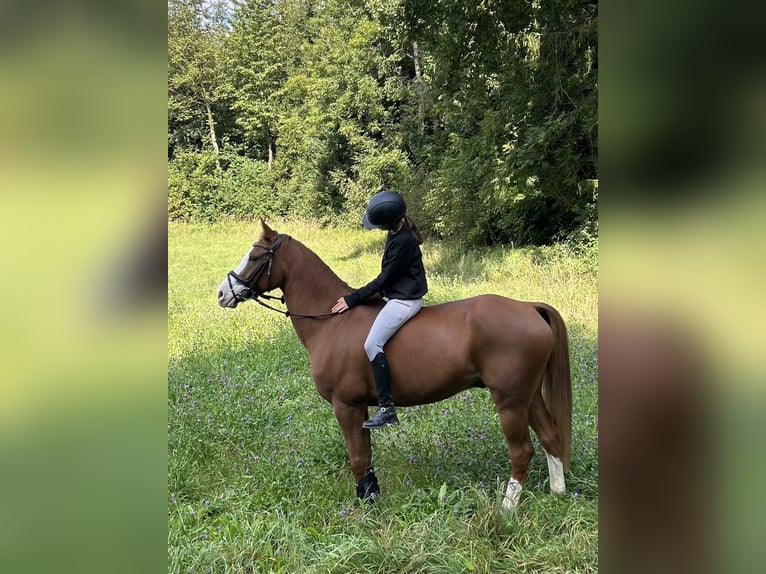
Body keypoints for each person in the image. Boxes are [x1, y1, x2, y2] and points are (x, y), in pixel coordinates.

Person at [331, 190, 428, 428]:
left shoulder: (403, 241)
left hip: (405, 300)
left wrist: (353, 298)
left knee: (371, 343)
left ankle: (386, 408)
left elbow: (384, 279)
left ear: (387, 223)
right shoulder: (398, 229)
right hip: (396, 294)